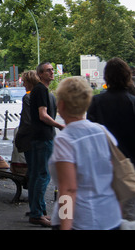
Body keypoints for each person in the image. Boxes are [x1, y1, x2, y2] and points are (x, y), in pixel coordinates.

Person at [50, 77, 122, 230]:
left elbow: (68, 190)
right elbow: (115, 175)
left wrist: (65, 226)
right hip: (111, 217)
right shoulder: (102, 132)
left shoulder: (65, 139)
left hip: (82, 220)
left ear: (61, 105)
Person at [87, 57, 135, 220]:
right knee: (128, 215)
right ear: (127, 76)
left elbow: (91, 137)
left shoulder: (96, 102)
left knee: (104, 217)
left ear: (106, 77)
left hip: (103, 170)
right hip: (130, 170)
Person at [28, 62, 65, 227]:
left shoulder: (38, 90)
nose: (52, 72)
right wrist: (60, 126)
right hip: (44, 137)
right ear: (40, 74)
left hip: (38, 137)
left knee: (36, 175)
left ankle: (39, 211)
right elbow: (43, 115)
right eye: (48, 70)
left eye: (52, 70)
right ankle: (37, 214)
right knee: (43, 175)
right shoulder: (41, 90)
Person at [13, 71, 40, 176]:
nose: (23, 85)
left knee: (33, 171)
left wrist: (19, 138)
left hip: (30, 140)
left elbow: (26, 121)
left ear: (30, 82)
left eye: (24, 82)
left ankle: (34, 192)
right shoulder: (47, 95)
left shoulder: (28, 97)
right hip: (42, 138)